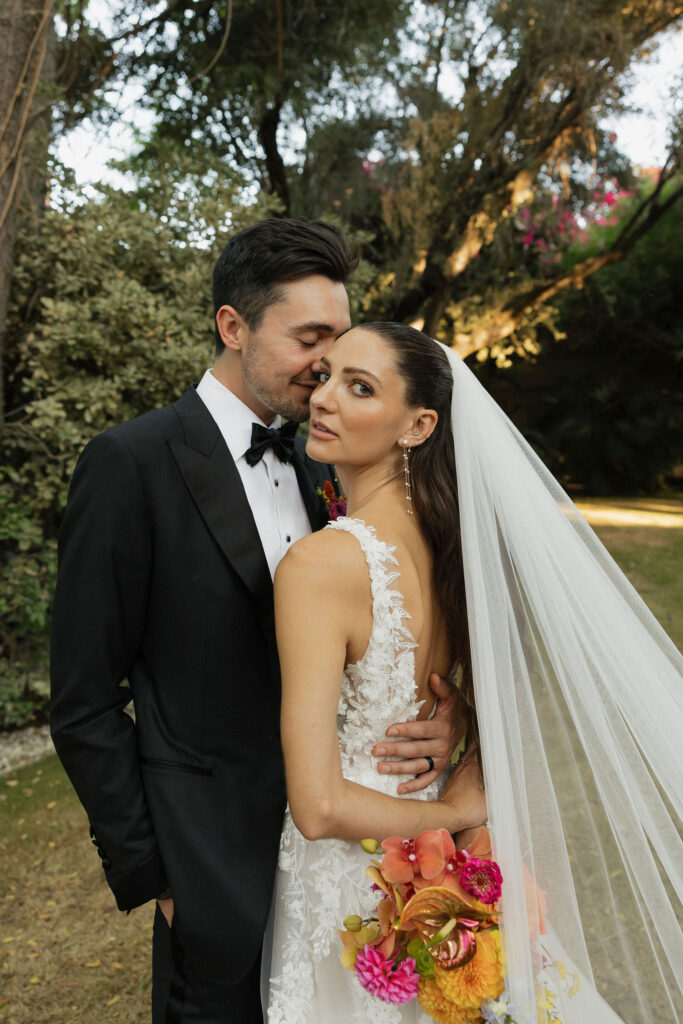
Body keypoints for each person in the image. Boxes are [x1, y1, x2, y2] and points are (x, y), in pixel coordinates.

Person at [49, 222, 459, 1024]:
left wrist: (446, 717)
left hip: (346, 868)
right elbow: (84, 702)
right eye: (310, 339)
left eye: (339, 341)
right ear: (232, 327)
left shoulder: (330, 464)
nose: (326, 366)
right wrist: (160, 880)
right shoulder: (129, 464)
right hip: (212, 880)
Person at [264, 323, 683, 1023]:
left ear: (419, 424)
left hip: (351, 878)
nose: (323, 397)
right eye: (328, 374)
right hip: (434, 866)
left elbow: (318, 807)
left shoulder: (319, 565)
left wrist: (455, 810)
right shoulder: (455, 545)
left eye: (358, 387)